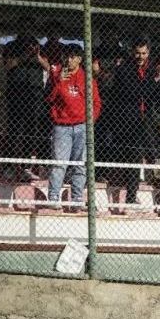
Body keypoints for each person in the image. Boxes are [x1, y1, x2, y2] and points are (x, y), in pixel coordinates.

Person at [107, 39, 160, 206]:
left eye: (144, 53)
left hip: (143, 121)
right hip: (125, 121)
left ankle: (133, 195)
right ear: (133, 52)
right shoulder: (124, 69)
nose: (141, 56)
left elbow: (154, 96)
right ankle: (155, 160)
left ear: (148, 54)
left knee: (135, 157)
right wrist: (153, 82)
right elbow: (134, 92)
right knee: (127, 157)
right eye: (138, 53)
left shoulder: (149, 72)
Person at [46, 44, 100, 208]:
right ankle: (53, 198)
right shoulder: (56, 74)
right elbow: (49, 99)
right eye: (66, 56)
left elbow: (96, 103)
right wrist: (59, 82)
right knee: (59, 164)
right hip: (62, 126)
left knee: (80, 164)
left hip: (82, 126)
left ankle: (77, 199)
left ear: (79, 59)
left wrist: (90, 122)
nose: (68, 60)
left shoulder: (87, 78)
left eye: (72, 57)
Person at [2, 35, 50, 182]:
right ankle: (9, 167)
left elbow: (48, 67)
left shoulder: (38, 46)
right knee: (14, 130)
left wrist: (37, 57)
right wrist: (23, 57)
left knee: (32, 130)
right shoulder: (11, 45)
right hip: (17, 92)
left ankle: (26, 167)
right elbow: (7, 65)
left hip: (34, 94)